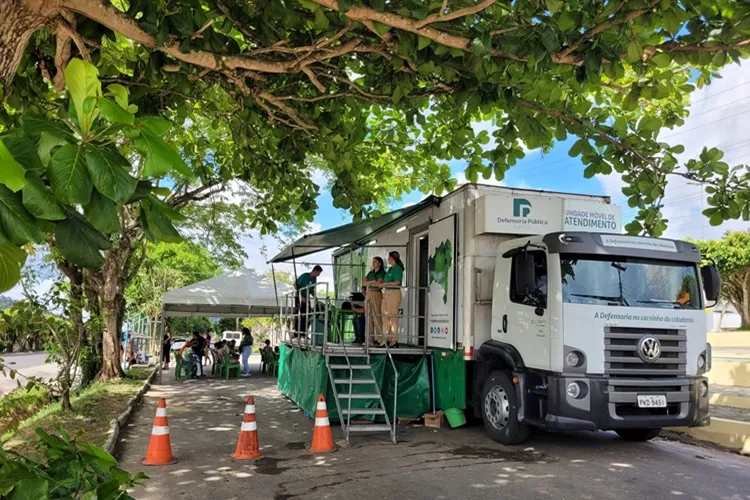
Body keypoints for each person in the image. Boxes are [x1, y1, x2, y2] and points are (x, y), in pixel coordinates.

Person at [379, 251, 405, 348]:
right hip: (386, 293)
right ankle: (385, 339)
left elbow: (397, 282)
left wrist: (385, 284)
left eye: (389, 258)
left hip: (393, 293)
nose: (388, 259)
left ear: (393, 259)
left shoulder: (397, 269)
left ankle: (394, 340)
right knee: (384, 317)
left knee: (393, 316)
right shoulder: (390, 269)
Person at [362, 257, 386, 345]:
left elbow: (378, 284)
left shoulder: (382, 273)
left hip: (376, 293)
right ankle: (369, 339)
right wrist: (372, 281)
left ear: (380, 263)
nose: (373, 263)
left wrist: (370, 282)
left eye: (375, 261)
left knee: (377, 316)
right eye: (373, 261)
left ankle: (381, 339)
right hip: (369, 293)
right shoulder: (371, 273)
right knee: (368, 317)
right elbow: (363, 283)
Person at [294, 265, 323, 334]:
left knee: (308, 314)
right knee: (299, 314)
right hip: (299, 296)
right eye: (318, 273)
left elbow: (312, 289)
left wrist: (314, 296)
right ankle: (297, 333)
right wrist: (301, 296)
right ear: (315, 271)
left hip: (307, 298)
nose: (318, 275)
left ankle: (304, 332)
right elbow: (295, 285)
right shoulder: (304, 276)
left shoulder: (314, 279)